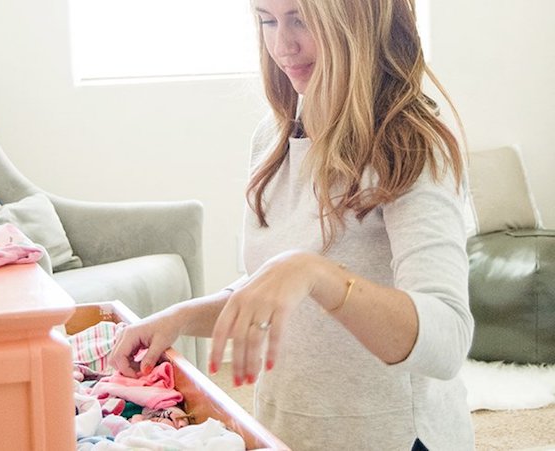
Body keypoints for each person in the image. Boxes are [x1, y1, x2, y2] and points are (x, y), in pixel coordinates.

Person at [111, 0, 475, 449]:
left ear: (358, 19)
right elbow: (273, 290)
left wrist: (315, 273)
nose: (283, 45)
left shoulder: (412, 147)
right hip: (289, 431)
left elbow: (448, 339)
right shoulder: (274, 136)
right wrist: (180, 316)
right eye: (267, 20)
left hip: (394, 437)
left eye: (301, 19)